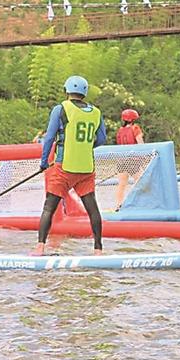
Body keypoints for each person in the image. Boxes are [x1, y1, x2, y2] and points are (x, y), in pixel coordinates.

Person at [33, 76, 107, 256]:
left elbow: (49, 138)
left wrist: (44, 162)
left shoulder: (61, 109)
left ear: (66, 91)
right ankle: (98, 249)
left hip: (64, 168)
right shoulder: (96, 112)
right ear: (84, 93)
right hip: (86, 169)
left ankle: (40, 247)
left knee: (49, 208)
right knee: (93, 210)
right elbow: (102, 139)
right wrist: (85, 147)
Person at [114, 108, 145, 211]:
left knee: (121, 184)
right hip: (133, 160)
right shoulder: (135, 128)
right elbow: (140, 143)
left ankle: (118, 204)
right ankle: (137, 203)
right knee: (140, 182)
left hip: (122, 160)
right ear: (133, 119)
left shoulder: (120, 130)